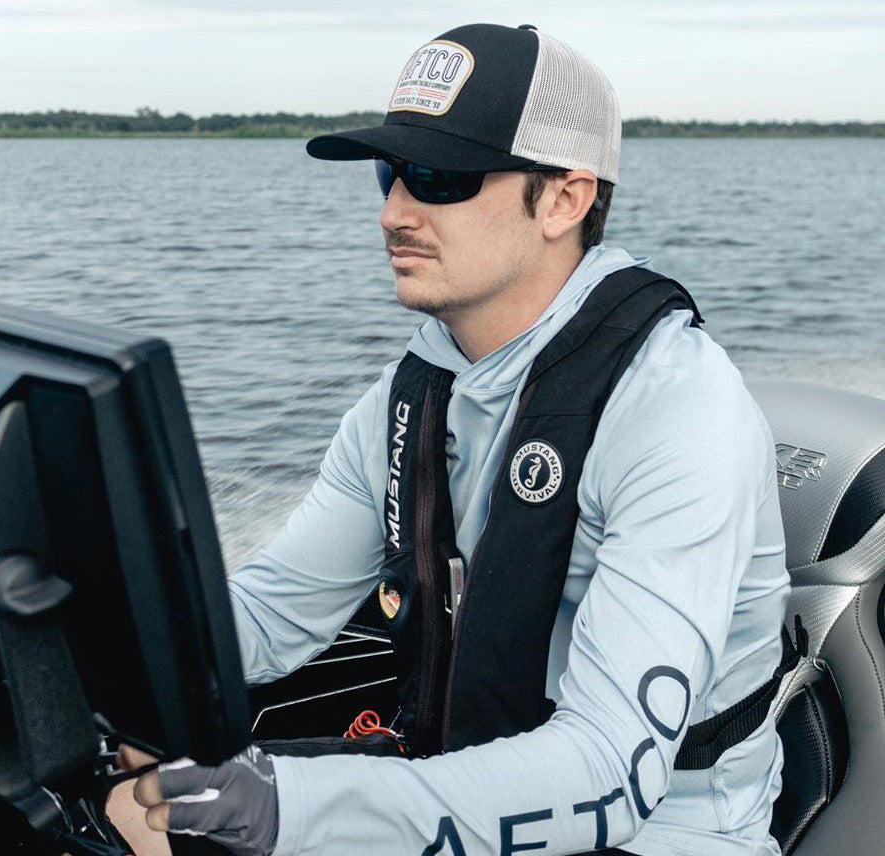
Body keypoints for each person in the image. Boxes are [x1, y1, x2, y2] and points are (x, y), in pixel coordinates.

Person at [116, 23, 792, 856]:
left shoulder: (680, 411)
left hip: (669, 833)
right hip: (467, 769)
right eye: (389, 172)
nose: (396, 211)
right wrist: (85, 650)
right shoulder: (410, 401)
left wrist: (291, 806)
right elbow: (270, 613)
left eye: (441, 177)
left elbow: (611, 770)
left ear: (565, 200)